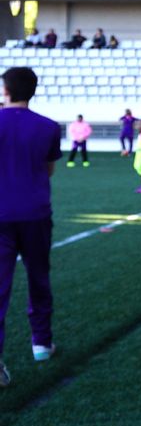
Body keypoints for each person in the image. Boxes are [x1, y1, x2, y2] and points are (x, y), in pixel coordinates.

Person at [0, 67, 63, 387]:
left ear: (5, 90)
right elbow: (48, 170)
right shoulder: (48, 127)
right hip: (36, 213)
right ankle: (41, 343)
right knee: (39, 278)